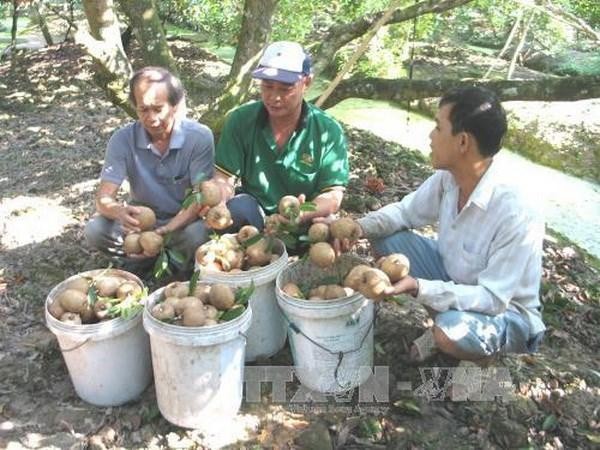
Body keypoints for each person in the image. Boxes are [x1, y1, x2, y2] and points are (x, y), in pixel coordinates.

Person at [345, 86, 545, 363]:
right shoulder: (449, 178)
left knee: (451, 331)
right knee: (387, 238)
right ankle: (447, 327)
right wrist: (359, 227)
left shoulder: (516, 212)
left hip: (506, 313)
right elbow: (405, 213)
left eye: (438, 127)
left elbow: (493, 299)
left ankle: (481, 357)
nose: (430, 136)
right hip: (458, 281)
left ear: (462, 142)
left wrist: (418, 286)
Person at [85, 66, 214, 276]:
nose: (151, 118)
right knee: (96, 229)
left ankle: (167, 261)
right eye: (143, 110)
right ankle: (144, 258)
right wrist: (120, 212)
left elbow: (199, 199)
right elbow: (103, 198)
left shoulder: (199, 138)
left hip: (183, 223)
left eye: (158, 108)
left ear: (175, 106)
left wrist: (165, 232)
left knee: (198, 235)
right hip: (141, 224)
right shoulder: (122, 139)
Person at [211, 41, 349, 231]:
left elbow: (333, 194)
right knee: (214, 222)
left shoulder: (328, 131)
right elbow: (223, 177)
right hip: (253, 215)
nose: (274, 97)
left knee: (331, 233)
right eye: (267, 86)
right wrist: (218, 201)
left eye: (285, 89)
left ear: (306, 82)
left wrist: (303, 213)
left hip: (304, 223)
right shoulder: (241, 120)